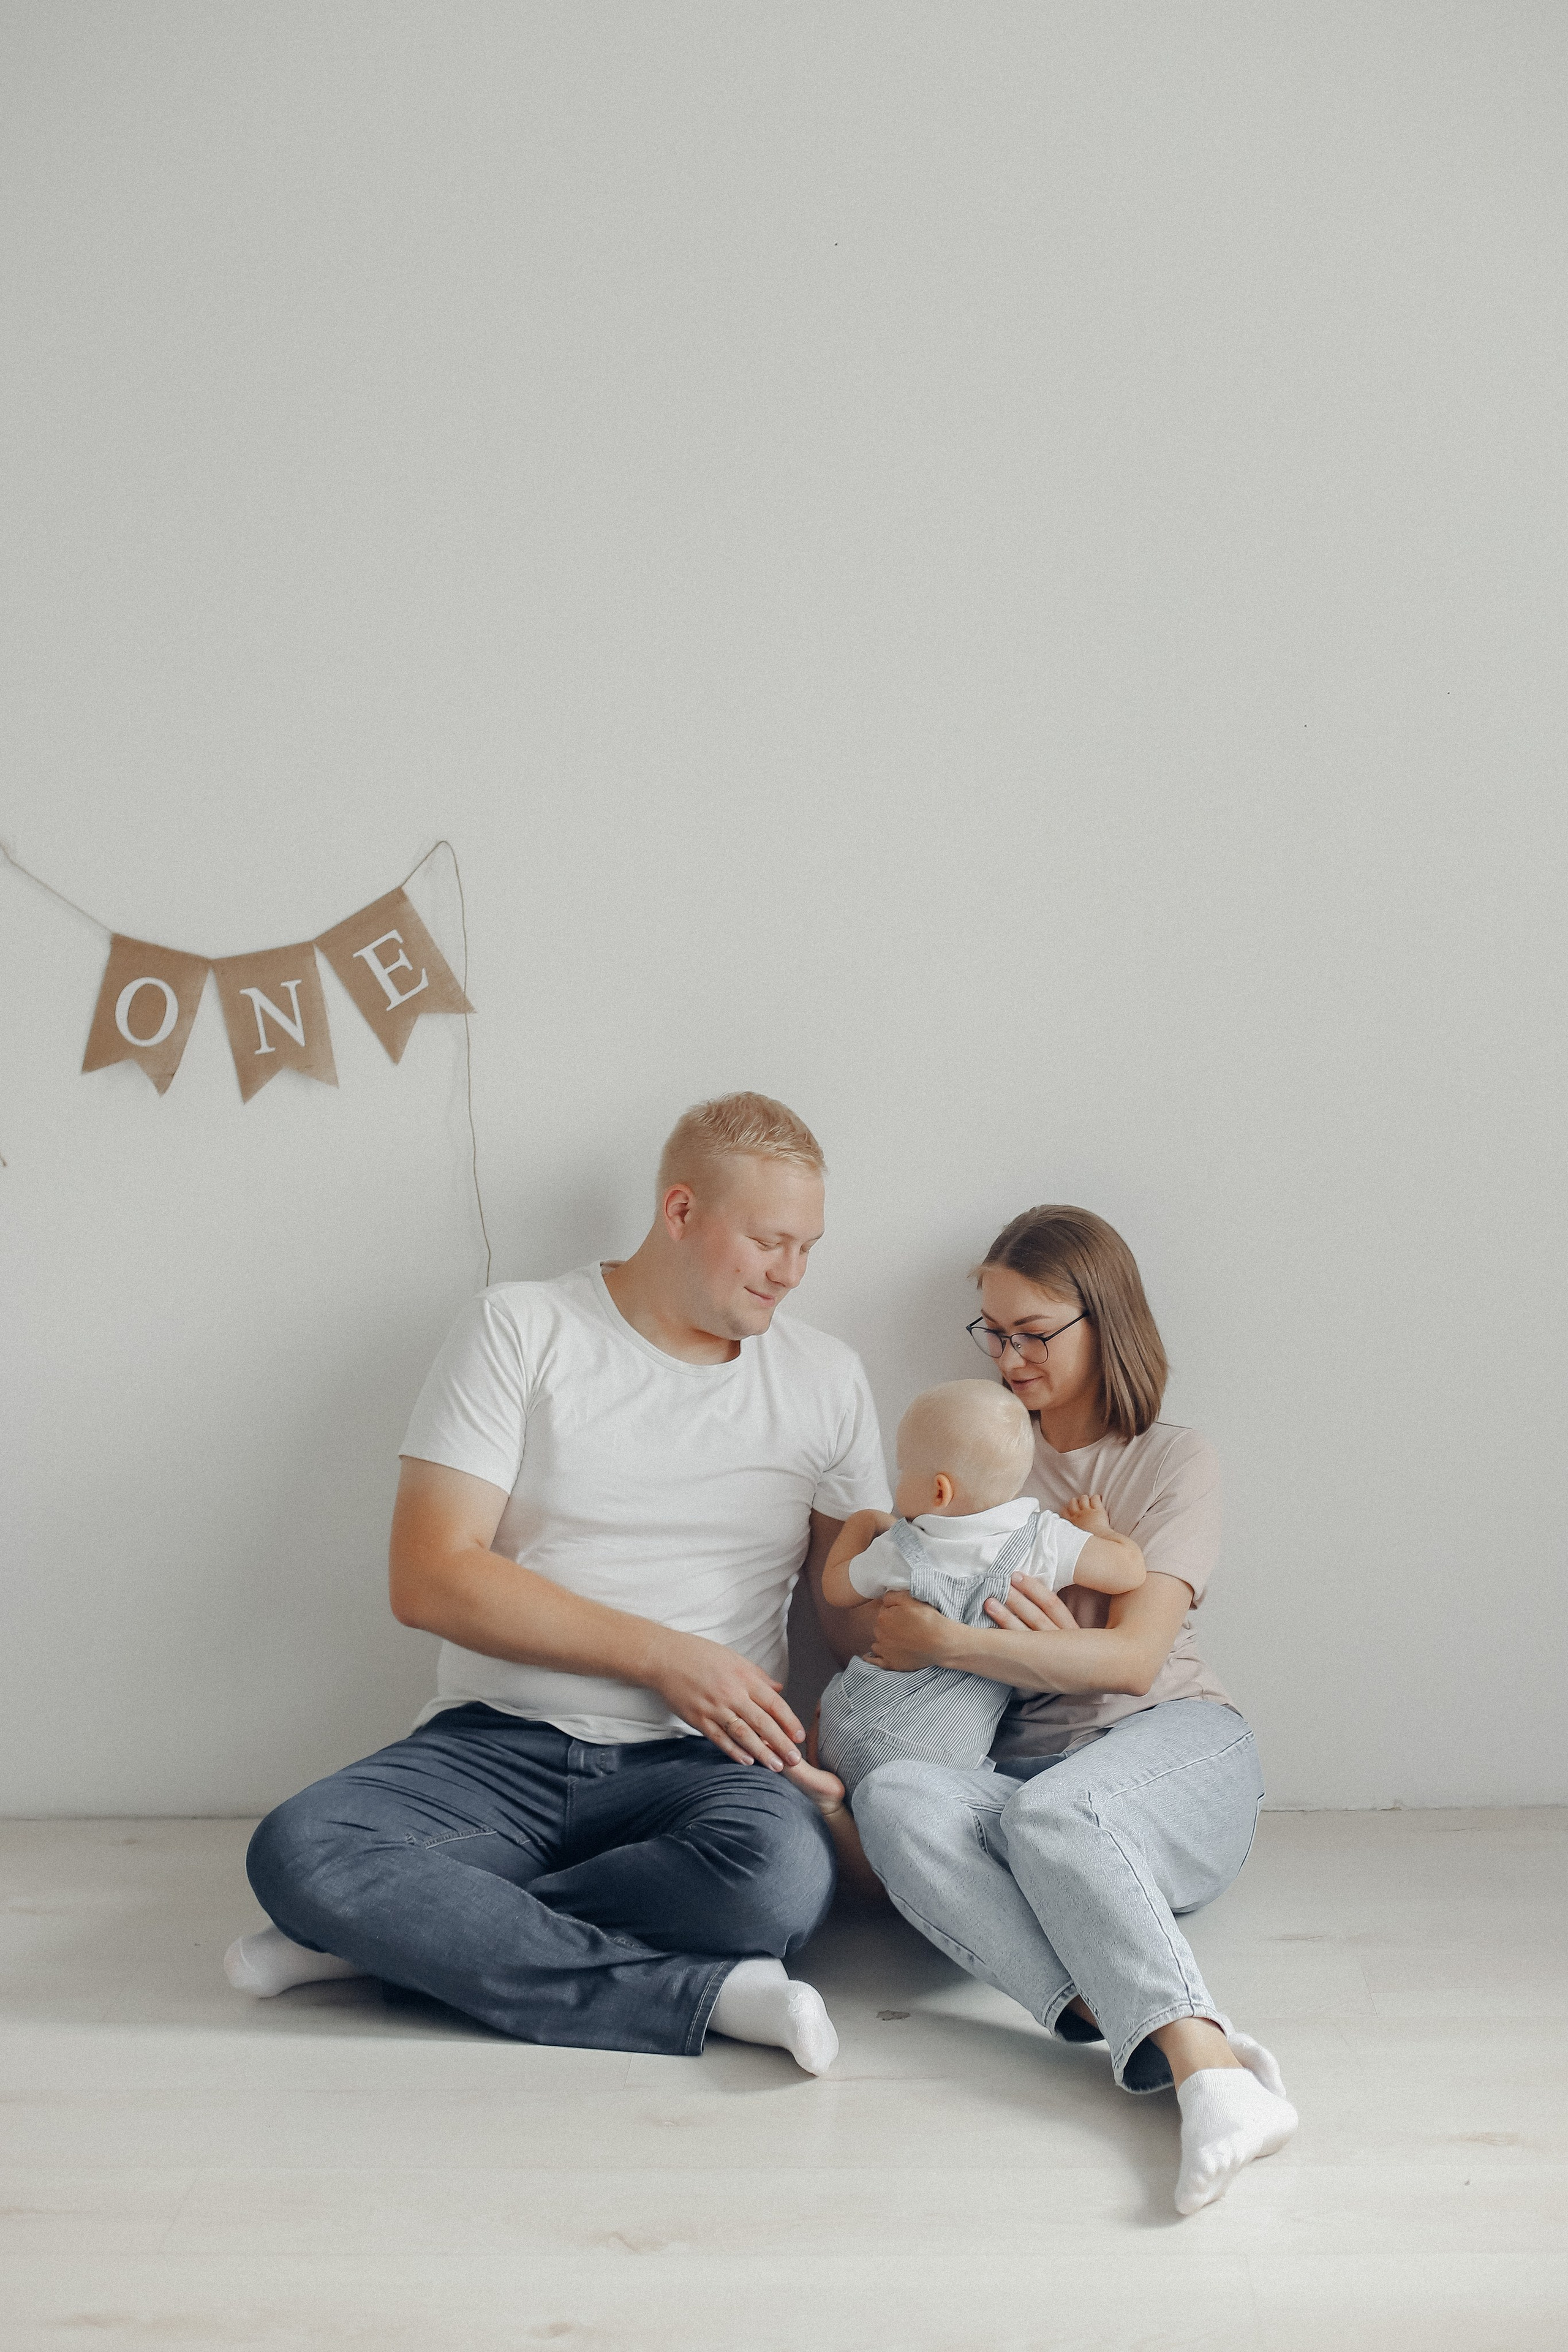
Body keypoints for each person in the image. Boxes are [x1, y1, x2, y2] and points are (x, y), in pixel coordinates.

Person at [225, 1092, 889, 2075]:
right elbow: (431, 1576)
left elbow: (852, 1616)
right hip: (496, 1751)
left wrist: (969, 1611)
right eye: (769, 1242)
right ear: (680, 1211)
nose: (790, 1274)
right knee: (300, 1851)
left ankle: (396, 1942)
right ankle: (702, 1994)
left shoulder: (825, 1379)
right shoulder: (520, 1329)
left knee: (778, 1884)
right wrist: (667, 1656)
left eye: (808, 1248)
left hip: (702, 1769)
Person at [823, 1206, 1298, 2215]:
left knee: (1056, 1815)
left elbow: (1132, 1659)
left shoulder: (1174, 1462)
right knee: (899, 1796)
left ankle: (1212, 2071)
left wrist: (965, 1642)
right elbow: (884, 1622)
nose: (1008, 1356)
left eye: (1033, 1332)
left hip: (1172, 1748)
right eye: (991, 1331)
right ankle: (1144, 2026)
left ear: (1106, 1321)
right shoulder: (973, 1457)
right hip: (1024, 1783)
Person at [815, 1379, 1145, 1792]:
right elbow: (1129, 1571)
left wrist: (862, 1522)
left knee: (839, 1771)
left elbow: (837, 1590)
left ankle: (829, 1798)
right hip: (944, 1749)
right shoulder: (1043, 1540)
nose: (897, 1481)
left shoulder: (900, 1548)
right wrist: (1097, 1528)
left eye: (901, 1469)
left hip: (850, 1717)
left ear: (939, 1491)